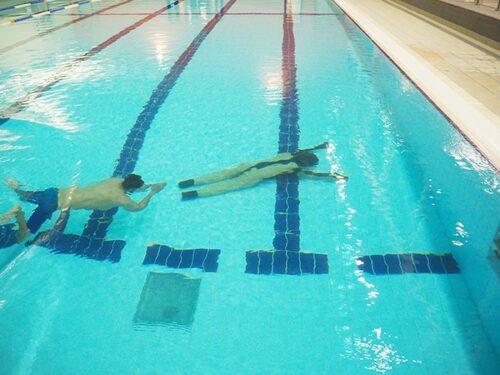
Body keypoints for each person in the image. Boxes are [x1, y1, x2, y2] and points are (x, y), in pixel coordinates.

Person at [178, 142, 347, 200]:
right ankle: (195, 193)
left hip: (249, 165)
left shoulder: (290, 154)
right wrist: (333, 175)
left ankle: (192, 181)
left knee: (221, 174)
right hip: (253, 176)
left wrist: (319, 147)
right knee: (226, 186)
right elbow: (313, 175)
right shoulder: (294, 169)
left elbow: (307, 149)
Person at [5, 174, 166, 233]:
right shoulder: (121, 199)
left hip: (54, 192)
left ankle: (16, 187)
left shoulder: (115, 180)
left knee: (25, 196)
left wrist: (149, 185)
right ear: (131, 189)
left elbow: (131, 185)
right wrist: (152, 192)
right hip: (52, 205)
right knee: (27, 231)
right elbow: (138, 208)